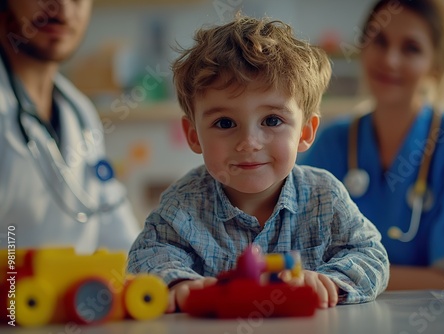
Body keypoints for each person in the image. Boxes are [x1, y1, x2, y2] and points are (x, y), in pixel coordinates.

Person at [127, 15, 389, 312]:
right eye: (225, 122)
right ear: (193, 135)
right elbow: (146, 256)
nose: (249, 142)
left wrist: (331, 281)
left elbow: (371, 255)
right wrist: (177, 284)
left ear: (305, 132)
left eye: (272, 120)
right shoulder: (184, 203)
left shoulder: (324, 196)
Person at [299, 0, 444, 289]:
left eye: (411, 48)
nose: (390, 60)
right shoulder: (332, 141)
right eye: (379, 41)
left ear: (437, 65)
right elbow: (300, 256)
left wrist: (350, 274)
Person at [0, 0, 140, 252]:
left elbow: (120, 236)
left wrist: (171, 279)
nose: (62, 10)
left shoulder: (80, 113)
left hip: (74, 289)